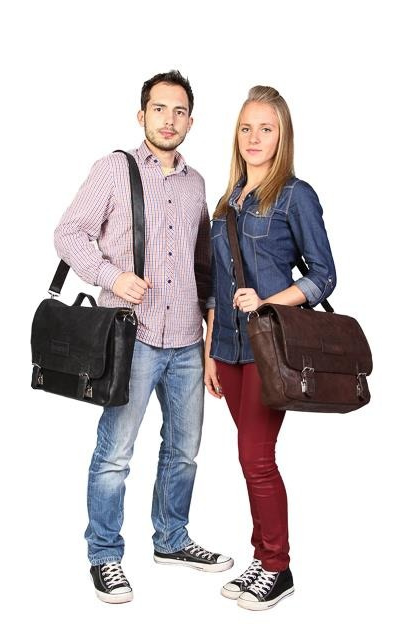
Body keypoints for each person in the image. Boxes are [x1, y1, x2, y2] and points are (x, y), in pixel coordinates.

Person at [54, 70, 233, 604]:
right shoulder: (115, 169)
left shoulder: (197, 183)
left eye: (179, 112)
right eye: (160, 109)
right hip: (131, 338)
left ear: (191, 122)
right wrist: (112, 277)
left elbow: (204, 267)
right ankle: (104, 555)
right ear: (142, 115)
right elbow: (68, 233)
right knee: (116, 453)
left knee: (184, 453)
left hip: (186, 341)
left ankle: (172, 539)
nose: (169, 120)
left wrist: (209, 340)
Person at [204, 86, 336, 611]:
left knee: (256, 458)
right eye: (246, 128)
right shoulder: (227, 202)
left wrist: (266, 302)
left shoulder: (295, 195)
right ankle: (261, 558)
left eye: (266, 128)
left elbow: (323, 276)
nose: (254, 138)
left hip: (271, 346)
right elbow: (217, 284)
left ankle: (278, 567)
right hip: (229, 349)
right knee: (250, 457)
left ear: (282, 136)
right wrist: (211, 350)